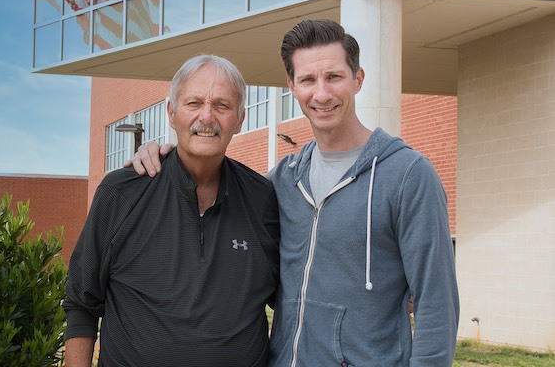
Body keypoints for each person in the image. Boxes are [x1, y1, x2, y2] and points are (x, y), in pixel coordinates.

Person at [130, 19, 460, 366]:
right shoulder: (281, 182)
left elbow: (436, 304)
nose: (321, 94)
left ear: (357, 79)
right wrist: (161, 158)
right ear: (292, 86)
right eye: (307, 80)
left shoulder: (408, 175)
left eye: (334, 77)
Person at [64, 55, 280, 367]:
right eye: (194, 103)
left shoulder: (263, 199)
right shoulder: (121, 193)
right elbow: (81, 304)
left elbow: (290, 303)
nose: (206, 116)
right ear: (171, 112)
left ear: (240, 118)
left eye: (222, 105)